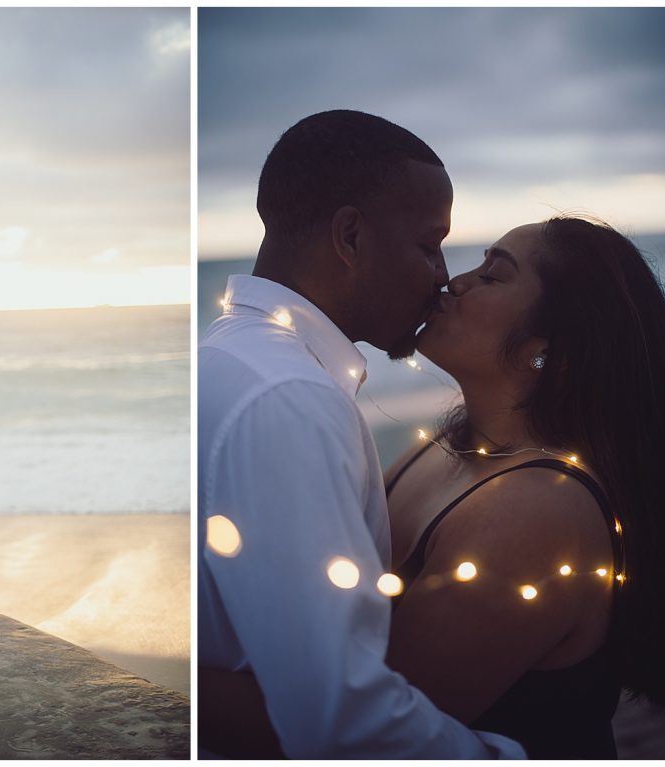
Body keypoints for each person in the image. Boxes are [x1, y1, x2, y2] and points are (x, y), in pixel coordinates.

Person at [202, 217, 665, 758]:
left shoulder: (539, 511)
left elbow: (355, 730)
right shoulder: (441, 451)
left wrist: (182, 683)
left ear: (547, 347)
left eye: (492, 275)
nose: (454, 282)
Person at [198, 110, 524, 758]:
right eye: (429, 243)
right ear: (350, 236)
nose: (441, 274)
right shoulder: (293, 398)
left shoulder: (234, 356)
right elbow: (340, 718)